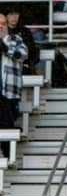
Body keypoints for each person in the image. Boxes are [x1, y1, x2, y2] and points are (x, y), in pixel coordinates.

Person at [0, 13, 25, 147]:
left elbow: (23, 55)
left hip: (8, 92)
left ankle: (7, 155)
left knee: (6, 123)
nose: (0, 26)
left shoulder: (16, 39)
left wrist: (6, 48)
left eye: (3, 23)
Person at [5, 10, 37, 75]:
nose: (14, 17)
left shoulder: (25, 31)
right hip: (6, 65)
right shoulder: (2, 30)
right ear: (6, 16)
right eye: (11, 14)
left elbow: (32, 50)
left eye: (16, 13)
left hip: (23, 66)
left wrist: (28, 64)